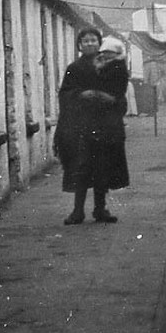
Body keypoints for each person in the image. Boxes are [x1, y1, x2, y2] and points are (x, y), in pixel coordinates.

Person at [55, 31, 130, 225]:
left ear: (99, 43)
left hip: (106, 126)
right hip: (82, 126)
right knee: (82, 167)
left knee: (103, 168)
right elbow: (65, 94)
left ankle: (100, 209)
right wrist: (82, 94)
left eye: (93, 40)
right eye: (85, 41)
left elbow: (119, 92)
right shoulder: (74, 68)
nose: (89, 44)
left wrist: (111, 101)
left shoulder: (109, 64)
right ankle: (77, 211)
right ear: (79, 45)